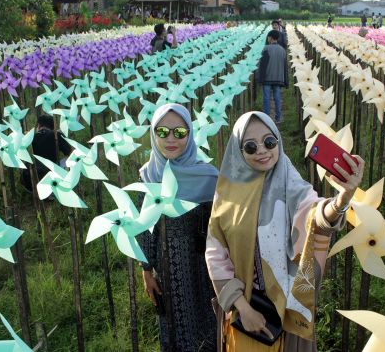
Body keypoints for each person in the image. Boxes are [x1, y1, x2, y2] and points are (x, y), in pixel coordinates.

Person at [206, 111, 364, 351]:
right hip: (246, 314)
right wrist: (244, 309)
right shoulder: (226, 198)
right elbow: (215, 256)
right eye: (250, 146)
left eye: (269, 141)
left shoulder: (292, 184)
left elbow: (315, 214)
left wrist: (342, 200)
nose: (262, 150)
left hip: (287, 311)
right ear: (238, 151)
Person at [138, 104, 220, 352]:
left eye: (179, 132)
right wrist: (146, 270)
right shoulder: (150, 175)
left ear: (190, 134)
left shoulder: (209, 177)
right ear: (153, 135)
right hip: (167, 269)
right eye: (162, 132)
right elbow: (146, 226)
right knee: (172, 325)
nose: (171, 139)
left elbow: (223, 227)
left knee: (206, 324)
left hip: (203, 268)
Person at [20, 115, 72, 192]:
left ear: (39, 125)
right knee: (70, 158)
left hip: (29, 180)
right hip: (52, 178)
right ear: (53, 127)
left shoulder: (31, 137)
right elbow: (70, 153)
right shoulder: (57, 135)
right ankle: (60, 188)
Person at [256, 30, 288, 124]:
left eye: (268, 37)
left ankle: (266, 119)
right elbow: (285, 66)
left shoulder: (266, 48)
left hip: (267, 78)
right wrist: (284, 79)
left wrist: (259, 78)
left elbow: (262, 65)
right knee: (277, 97)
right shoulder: (282, 50)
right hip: (278, 78)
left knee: (266, 98)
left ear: (270, 38)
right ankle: (278, 117)